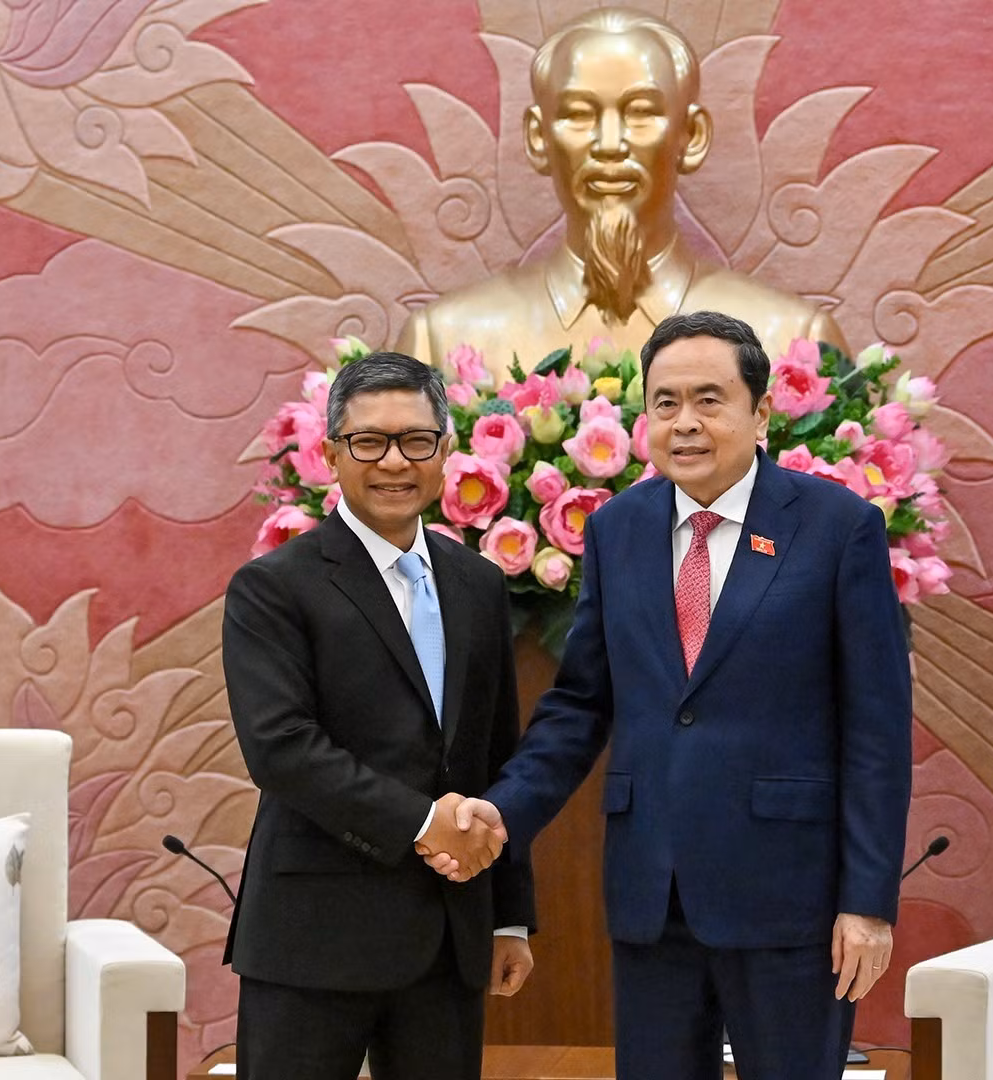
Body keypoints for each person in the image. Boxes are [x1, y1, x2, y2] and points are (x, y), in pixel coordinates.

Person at [430, 311, 911, 1079]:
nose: (684, 422)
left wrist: (868, 902)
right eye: (664, 402)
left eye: (709, 400)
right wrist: (504, 808)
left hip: (791, 899)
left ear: (760, 412)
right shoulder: (620, 528)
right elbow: (582, 703)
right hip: (652, 891)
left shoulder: (836, 527)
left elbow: (877, 732)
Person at [221, 351, 535, 1080]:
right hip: (313, 936)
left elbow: (496, 754)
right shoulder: (274, 588)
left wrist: (509, 915)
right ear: (331, 453)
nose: (394, 462)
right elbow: (282, 749)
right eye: (369, 442)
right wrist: (425, 825)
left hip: (449, 937)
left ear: (447, 452)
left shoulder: (478, 584)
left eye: (416, 441)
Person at [396, 8, 845, 368]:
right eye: (578, 114)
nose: (609, 145)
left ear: (692, 136)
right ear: (537, 137)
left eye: (640, 113)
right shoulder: (442, 342)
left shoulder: (792, 343)